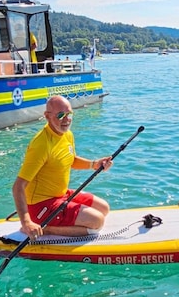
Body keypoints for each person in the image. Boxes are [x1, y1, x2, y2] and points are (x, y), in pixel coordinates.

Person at [13, 95, 114, 239]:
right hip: (40, 206)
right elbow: (18, 187)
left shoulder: (67, 135)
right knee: (97, 222)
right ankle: (46, 229)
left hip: (60, 194)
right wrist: (27, 221)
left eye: (69, 114)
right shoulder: (40, 145)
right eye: (60, 115)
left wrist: (94, 164)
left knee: (104, 208)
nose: (66, 119)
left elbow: (70, 159)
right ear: (47, 116)